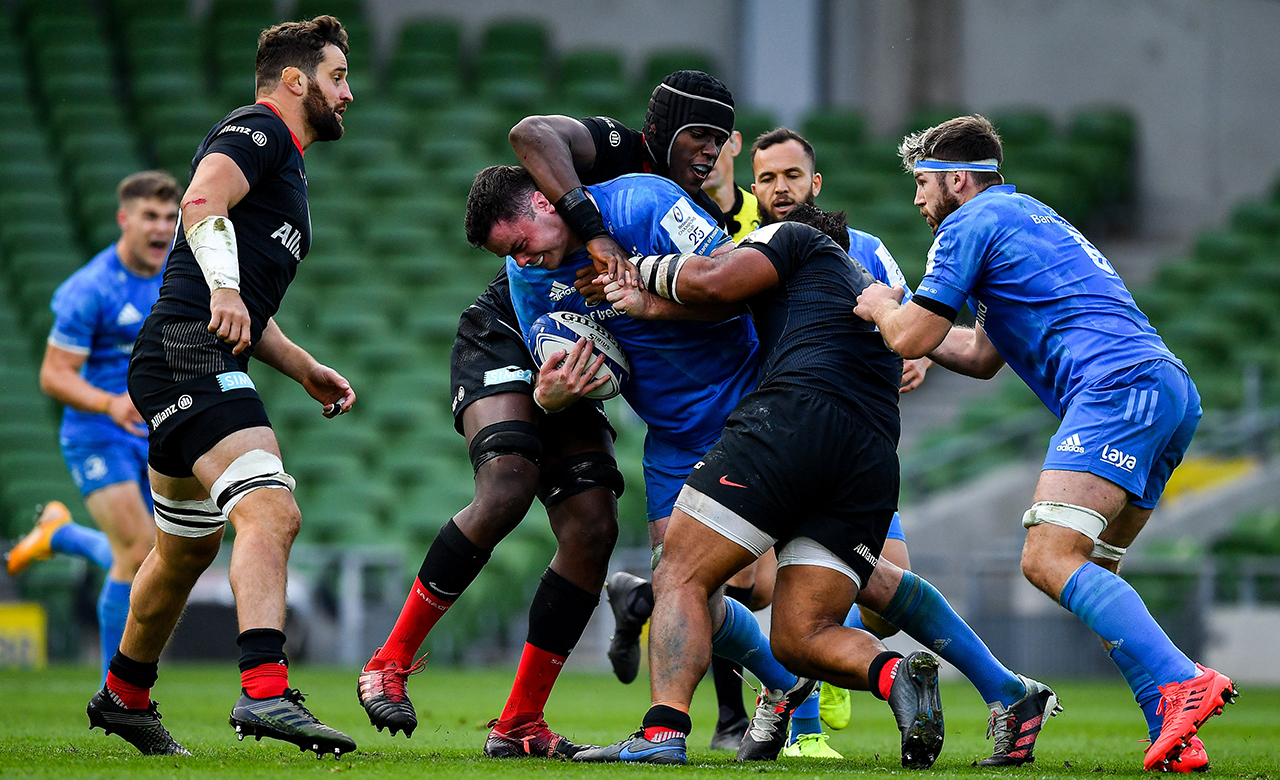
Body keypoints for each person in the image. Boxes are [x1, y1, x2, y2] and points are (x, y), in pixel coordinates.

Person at [355, 70, 737, 759]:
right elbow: (530, 135)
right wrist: (591, 238)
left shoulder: (676, 206)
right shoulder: (613, 164)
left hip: (581, 337)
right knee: (505, 484)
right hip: (510, 333)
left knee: (593, 525)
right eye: (697, 137)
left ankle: (520, 723)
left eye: (718, 142)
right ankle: (388, 661)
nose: (706, 153)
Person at [854, 114, 1235, 772]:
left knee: (1047, 557)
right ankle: (1175, 735)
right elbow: (976, 353)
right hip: (1167, 393)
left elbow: (910, 336)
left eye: (923, 184)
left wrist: (880, 305)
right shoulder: (1025, 219)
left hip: (1116, 390)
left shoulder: (966, 225)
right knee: (1094, 570)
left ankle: (1183, 679)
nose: (918, 200)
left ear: (957, 180)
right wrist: (906, 324)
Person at [572, 205, 948, 767]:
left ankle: (662, 733)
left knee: (680, 569)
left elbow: (714, 281)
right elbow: (722, 307)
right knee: (801, 636)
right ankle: (896, 676)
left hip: (796, 419)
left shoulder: (790, 237)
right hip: (871, 459)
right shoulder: (867, 294)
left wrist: (635, 268)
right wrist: (649, 306)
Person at [87, 16, 357, 758]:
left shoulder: (286, 166)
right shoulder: (260, 128)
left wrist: (304, 367)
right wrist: (231, 289)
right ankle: (266, 692)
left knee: (182, 552)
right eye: (338, 77)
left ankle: (125, 695)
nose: (349, 93)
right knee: (272, 512)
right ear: (296, 80)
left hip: (184, 350)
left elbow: (243, 311)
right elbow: (200, 204)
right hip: (185, 352)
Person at [8, 171, 180, 684]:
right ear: (124, 219)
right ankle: (118, 690)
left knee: (157, 556)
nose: (162, 228)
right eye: (150, 216)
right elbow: (53, 374)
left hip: (154, 430)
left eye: (171, 218)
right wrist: (110, 403)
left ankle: (61, 535)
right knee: (139, 551)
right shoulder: (90, 289)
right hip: (95, 432)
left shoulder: (177, 273)